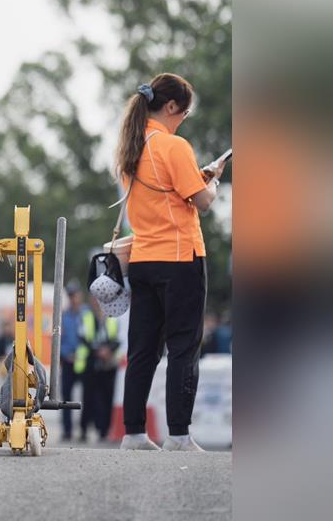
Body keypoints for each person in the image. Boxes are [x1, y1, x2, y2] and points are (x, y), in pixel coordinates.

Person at [115, 73, 226, 452]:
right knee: (183, 347)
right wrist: (212, 181)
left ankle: (133, 433)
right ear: (173, 107)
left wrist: (198, 179)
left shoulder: (131, 146)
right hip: (180, 257)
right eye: (186, 113)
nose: (184, 120)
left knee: (142, 349)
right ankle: (178, 434)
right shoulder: (173, 145)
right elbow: (202, 201)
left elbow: (166, 192)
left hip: (143, 259)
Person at [79, 294, 121, 443]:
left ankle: (103, 431)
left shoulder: (112, 318)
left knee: (106, 398)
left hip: (108, 365)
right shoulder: (86, 316)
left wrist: (107, 350)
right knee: (88, 398)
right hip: (91, 363)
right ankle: (84, 430)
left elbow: (117, 340)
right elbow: (83, 338)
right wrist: (98, 351)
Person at [59, 284, 85, 442]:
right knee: (66, 398)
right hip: (68, 362)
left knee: (87, 397)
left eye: (76, 295)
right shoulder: (62, 317)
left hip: (83, 361)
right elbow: (57, 341)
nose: (74, 299)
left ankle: (83, 428)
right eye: (71, 296)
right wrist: (66, 355)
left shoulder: (85, 315)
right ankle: (67, 430)